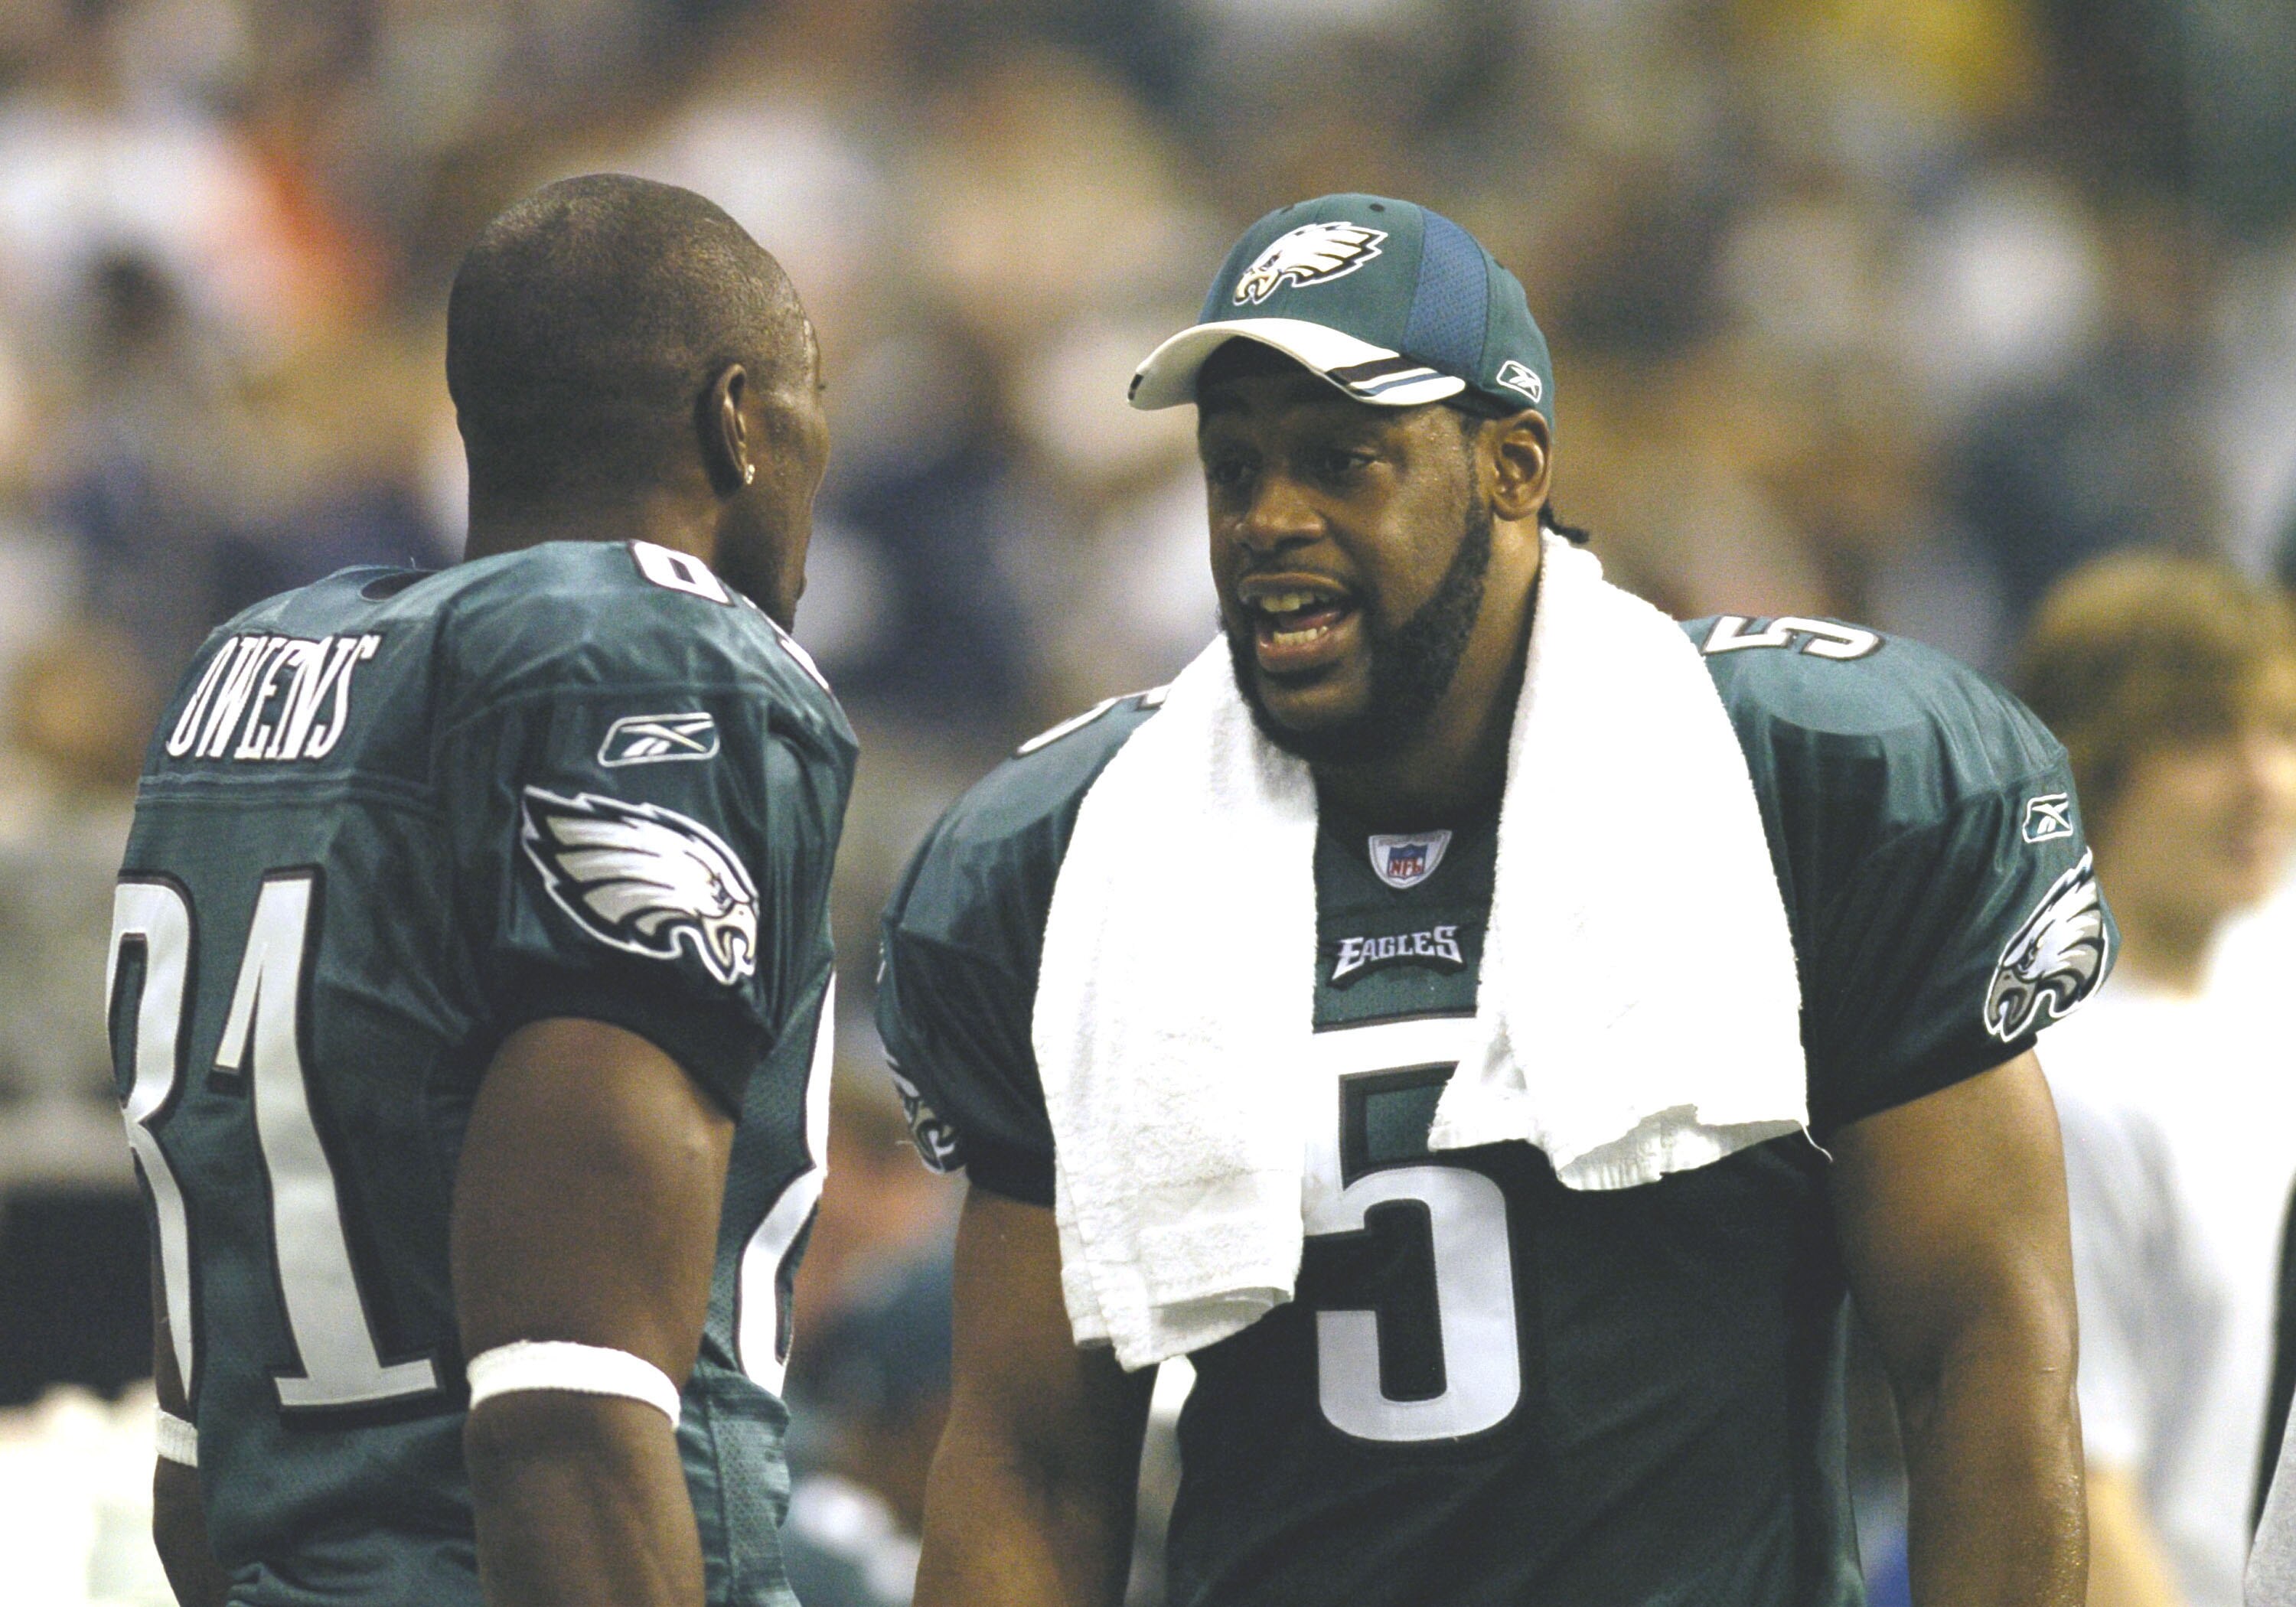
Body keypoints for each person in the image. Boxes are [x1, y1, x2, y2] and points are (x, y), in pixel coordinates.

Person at [877, 193, 2111, 1607]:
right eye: (1236, 471)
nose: (1270, 520)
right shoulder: (1083, 859)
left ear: (1513, 467)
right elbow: (1034, 1465)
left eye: (1343, 461)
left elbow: (1984, 1363)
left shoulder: (1802, 785)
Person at [106, 174, 853, 1607]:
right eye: (816, 402)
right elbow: (568, 1404)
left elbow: (204, 1455)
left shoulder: (251, 669)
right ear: (739, 418)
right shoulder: (652, 657)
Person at [2011, 556, 2296, 1607]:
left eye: (2280, 732)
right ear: (2094, 763)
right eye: (2204, 737)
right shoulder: (2066, 1086)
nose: (2263, 779)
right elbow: (2081, 1497)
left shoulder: (2261, 1018)